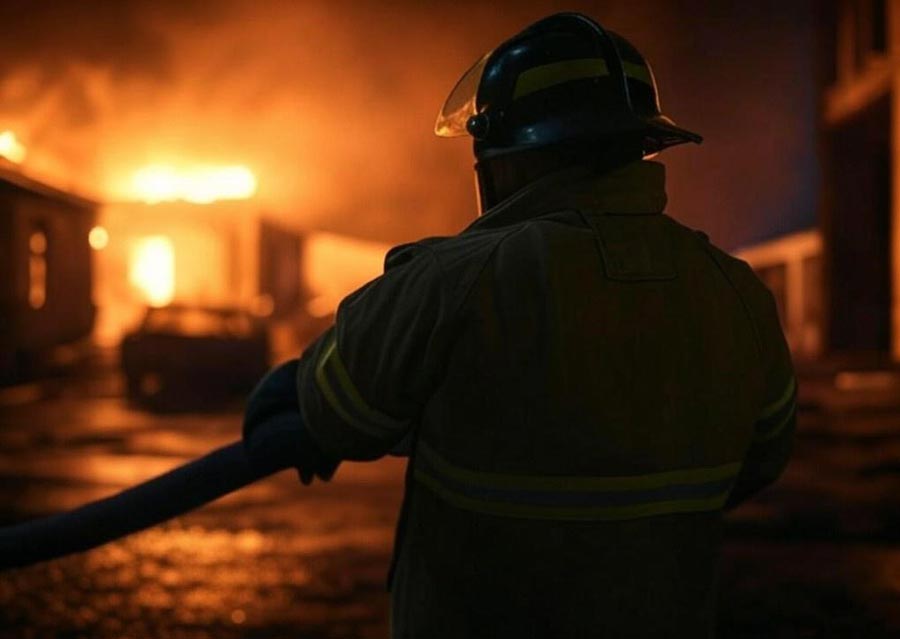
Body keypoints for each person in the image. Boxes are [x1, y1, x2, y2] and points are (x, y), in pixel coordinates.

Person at [244, 12, 797, 638]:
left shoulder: (455, 282)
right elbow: (761, 456)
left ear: (507, 158)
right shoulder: (737, 294)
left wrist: (299, 386)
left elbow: (342, 405)